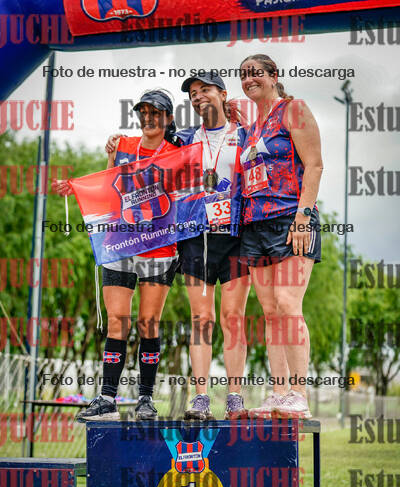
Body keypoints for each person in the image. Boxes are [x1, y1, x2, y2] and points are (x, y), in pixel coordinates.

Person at [107, 74, 251, 420]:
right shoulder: (184, 138)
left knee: (233, 318)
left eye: (205, 90)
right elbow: (149, 144)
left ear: (223, 94)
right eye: (193, 93)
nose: (198, 96)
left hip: (235, 235)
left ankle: (235, 398)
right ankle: (200, 398)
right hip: (194, 236)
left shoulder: (246, 134)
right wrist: (115, 143)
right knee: (201, 318)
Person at [54, 90, 180, 421]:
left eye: (156, 113)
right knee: (116, 321)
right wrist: (77, 187)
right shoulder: (122, 144)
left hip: (158, 246)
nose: (148, 118)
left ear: (168, 118)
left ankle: (146, 399)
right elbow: (107, 185)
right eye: (144, 112)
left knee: (148, 323)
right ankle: (107, 397)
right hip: (119, 243)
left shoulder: (178, 153)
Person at [237, 54, 323, 419]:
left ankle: (299, 395)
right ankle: (279, 393)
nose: (249, 79)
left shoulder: (293, 109)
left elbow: (315, 165)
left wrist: (304, 216)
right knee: (270, 312)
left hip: (291, 218)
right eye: (243, 75)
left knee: (288, 304)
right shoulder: (250, 129)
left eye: (256, 73)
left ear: (274, 76)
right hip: (255, 225)